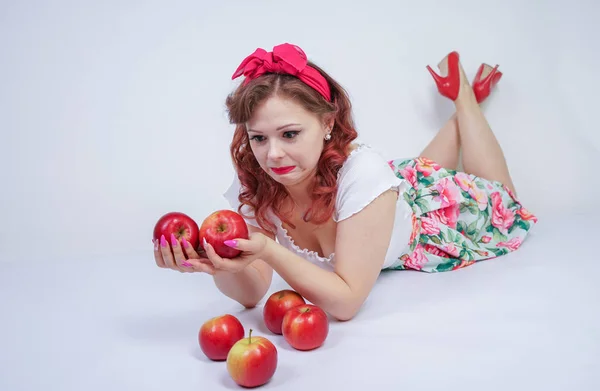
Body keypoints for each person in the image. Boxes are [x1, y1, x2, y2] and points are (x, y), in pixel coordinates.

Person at [153, 43, 538, 321]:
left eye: (289, 134)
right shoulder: (257, 182)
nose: (272, 155)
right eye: (259, 138)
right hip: (392, 190)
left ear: (327, 124)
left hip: (433, 214)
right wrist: (222, 266)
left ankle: (464, 98)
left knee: (506, 200)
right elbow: (252, 293)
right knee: (419, 166)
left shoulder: (364, 175)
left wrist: (269, 251)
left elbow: (346, 303)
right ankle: (462, 111)